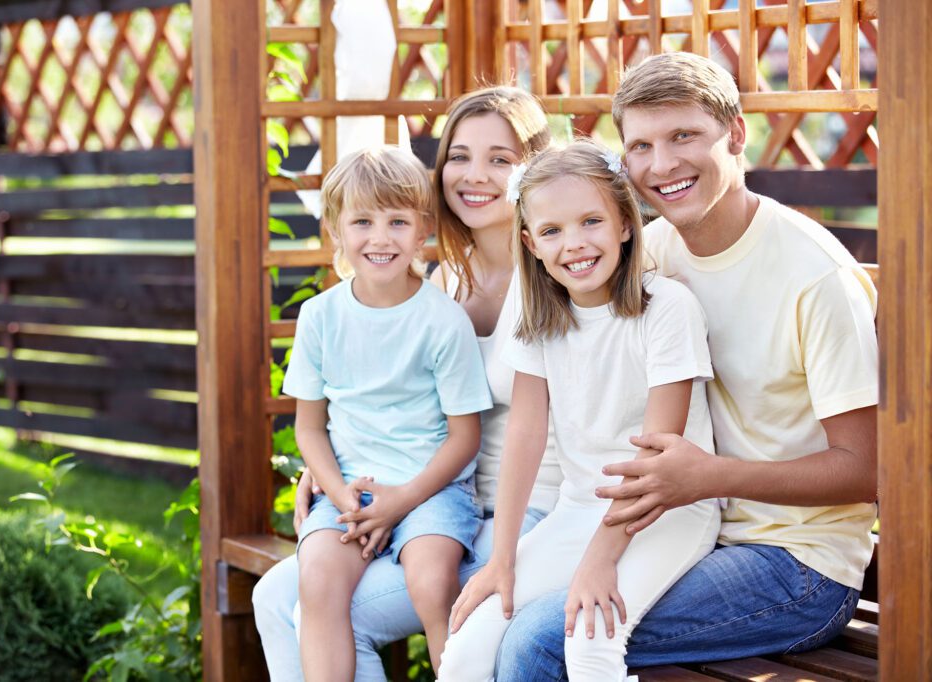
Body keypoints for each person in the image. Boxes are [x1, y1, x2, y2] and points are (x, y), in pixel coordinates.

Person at [495, 52, 879, 679]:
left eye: (684, 136)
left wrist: (709, 477)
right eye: (641, 145)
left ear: (735, 134)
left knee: (543, 637)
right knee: (501, 611)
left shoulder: (815, 277)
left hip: (798, 565)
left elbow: (865, 472)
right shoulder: (655, 255)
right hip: (688, 529)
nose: (662, 164)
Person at [252, 87, 563, 681]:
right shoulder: (443, 279)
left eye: (501, 158)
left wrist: (402, 497)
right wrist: (328, 467)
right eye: (460, 156)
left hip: (517, 510)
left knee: (322, 610)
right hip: (410, 488)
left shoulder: (554, 276)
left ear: (533, 168)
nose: (476, 175)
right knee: (275, 596)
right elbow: (377, 393)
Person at [437, 140, 720, 681]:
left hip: (665, 512)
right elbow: (524, 435)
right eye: (551, 231)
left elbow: (655, 462)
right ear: (530, 243)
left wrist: (599, 558)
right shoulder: (543, 321)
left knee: (590, 638)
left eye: (591, 221)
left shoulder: (666, 310)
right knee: (470, 642)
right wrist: (502, 559)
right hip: (578, 508)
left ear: (625, 224)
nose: (575, 244)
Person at [284, 145, 492, 679]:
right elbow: (308, 427)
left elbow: (464, 438)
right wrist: (342, 496)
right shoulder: (319, 318)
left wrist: (399, 503)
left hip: (430, 492)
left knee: (431, 580)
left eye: (398, 221)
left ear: (422, 228)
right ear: (336, 229)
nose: (381, 238)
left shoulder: (443, 321)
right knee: (318, 581)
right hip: (349, 490)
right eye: (362, 221)